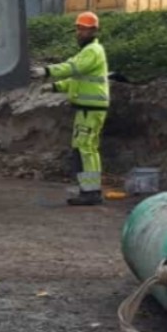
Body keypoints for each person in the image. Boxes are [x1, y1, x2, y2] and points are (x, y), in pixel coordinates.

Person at [30, 11, 110, 206]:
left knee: (85, 149)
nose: (79, 33)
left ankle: (90, 191)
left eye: (82, 29)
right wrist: (55, 86)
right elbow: (77, 78)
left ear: (93, 31)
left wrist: (46, 71)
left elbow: (72, 68)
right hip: (90, 108)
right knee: (87, 148)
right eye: (78, 29)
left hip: (89, 109)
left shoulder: (92, 51)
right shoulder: (90, 51)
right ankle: (90, 189)